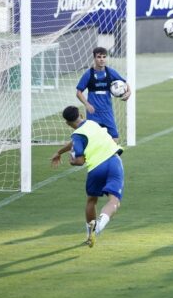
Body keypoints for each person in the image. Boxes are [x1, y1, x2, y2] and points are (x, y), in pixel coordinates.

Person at [51, 106, 125, 248]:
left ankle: (89, 234)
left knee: (91, 200)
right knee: (114, 201)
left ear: (67, 123)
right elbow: (78, 143)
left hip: (96, 168)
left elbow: (79, 160)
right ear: (80, 114)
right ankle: (99, 226)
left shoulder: (77, 136)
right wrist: (63, 153)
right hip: (114, 162)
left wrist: (69, 159)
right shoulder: (92, 123)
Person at [76, 47, 131, 142]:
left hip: (107, 112)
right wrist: (87, 104)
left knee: (115, 139)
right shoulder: (88, 74)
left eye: (104, 57)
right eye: (99, 57)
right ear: (94, 58)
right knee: (92, 140)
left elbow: (125, 83)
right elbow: (78, 92)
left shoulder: (110, 72)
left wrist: (129, 92)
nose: (102, 59)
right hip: (93, 113)